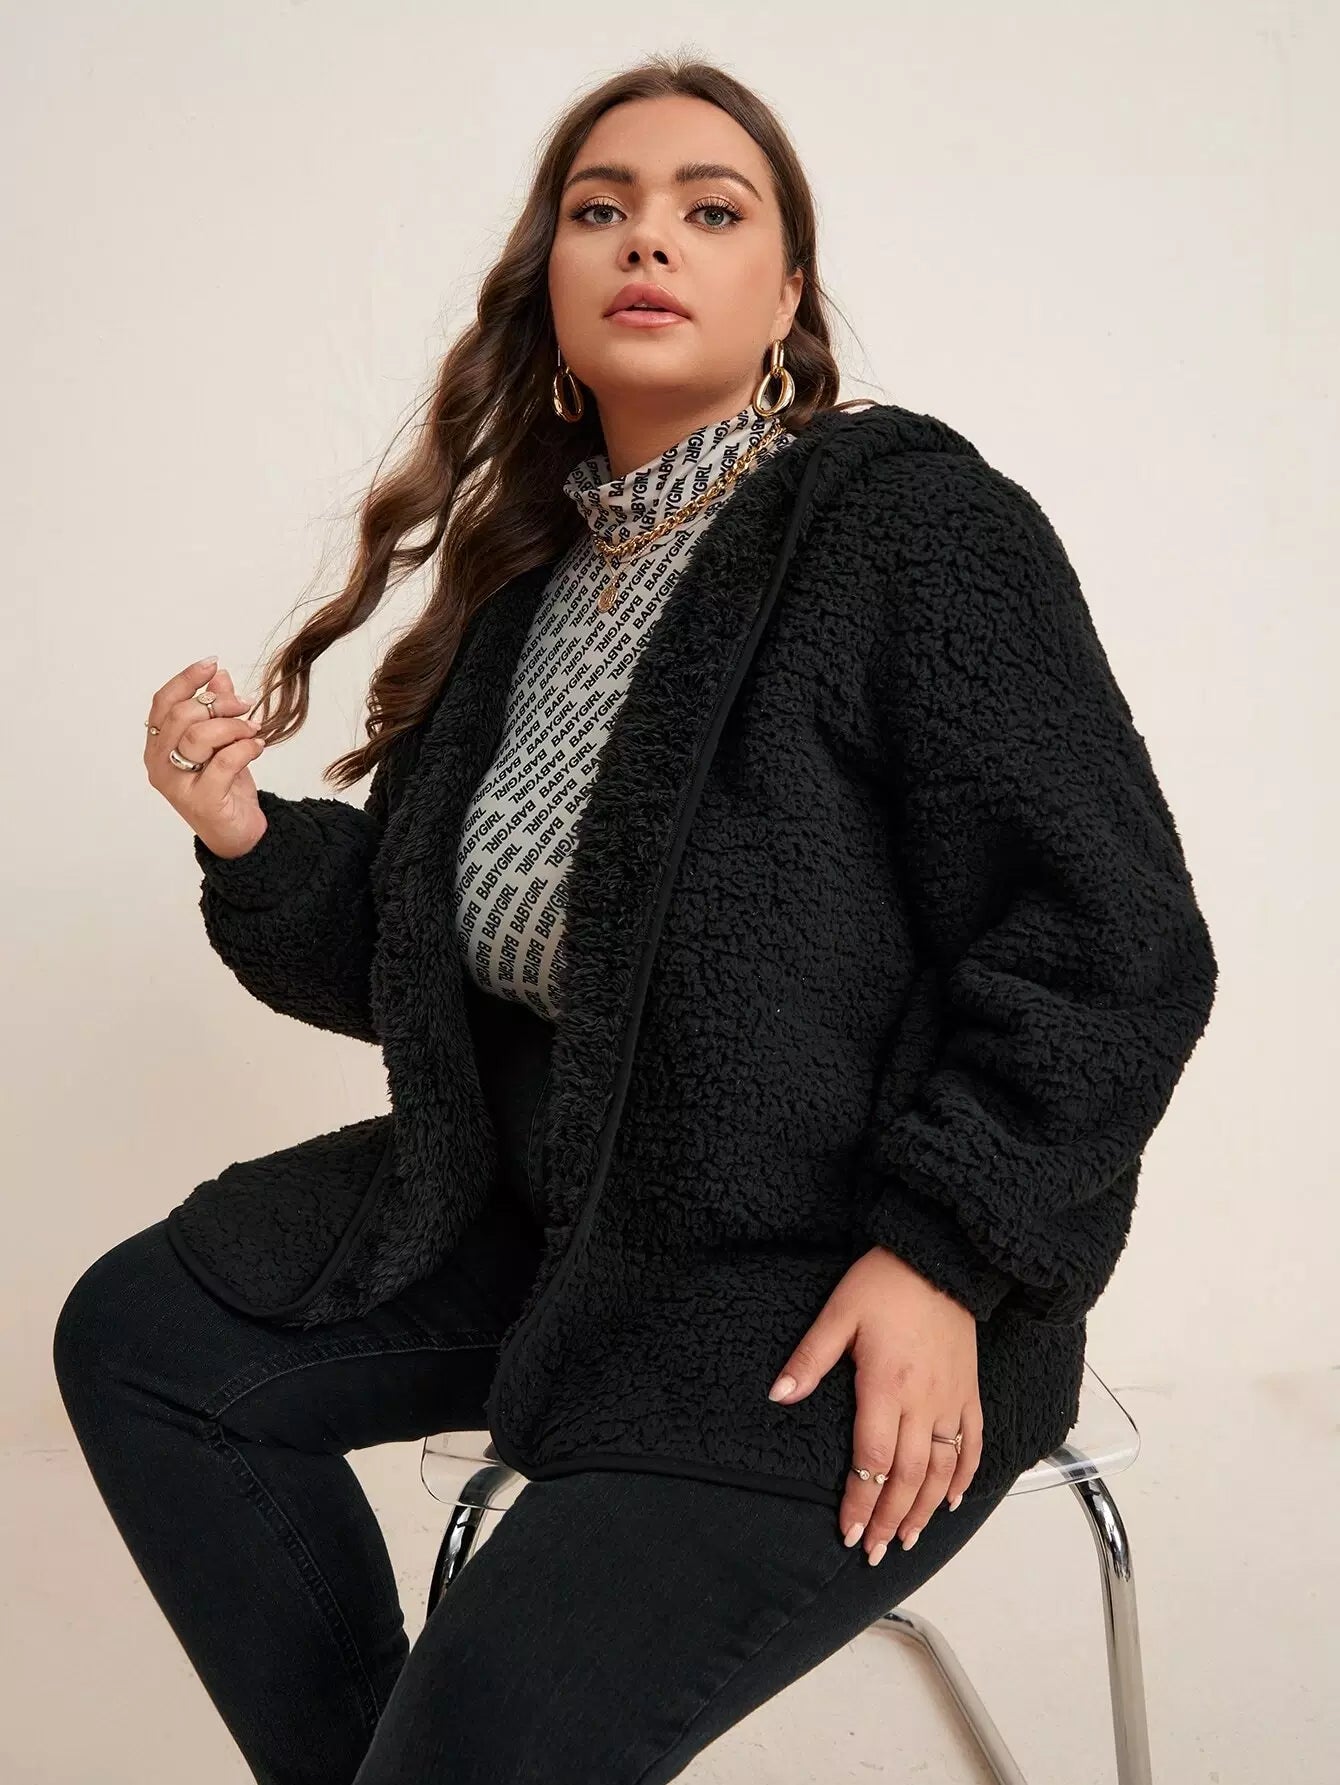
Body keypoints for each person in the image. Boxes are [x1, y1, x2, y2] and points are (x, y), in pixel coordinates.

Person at [52, 54, 1218, 1785]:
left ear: (787, 294)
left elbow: (1113, 939)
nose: (647, 238)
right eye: (601, 209)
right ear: (553, 284)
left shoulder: (911, 531)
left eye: (708, 209)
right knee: (148, 1339)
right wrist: (242, 833)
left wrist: (943, 1252)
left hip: (828, 1276)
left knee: (489, 1738)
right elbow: (440, 958)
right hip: (562, 1214)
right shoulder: (530, 589)